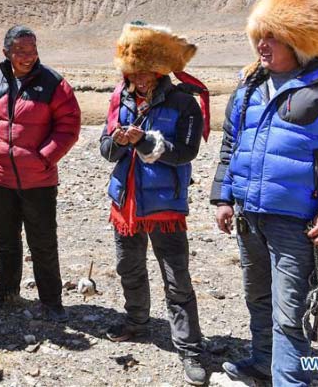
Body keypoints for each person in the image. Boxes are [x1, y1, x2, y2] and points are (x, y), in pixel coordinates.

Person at [210, 0, 318, 386]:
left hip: (296, 219)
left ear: (300, 42)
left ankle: (289, 379)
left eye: (273, 38)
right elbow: (232, 142)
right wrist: (224, 196)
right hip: (250, 212)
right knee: (258, 296)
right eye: (259, 37)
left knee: (290, 307)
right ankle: (264, 362)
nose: (262, 46)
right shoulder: (250, 84)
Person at [100, 21, 210, 386]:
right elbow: (106, 150)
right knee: (128, 267)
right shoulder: (120, 97)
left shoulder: (183, 103)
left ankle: (190, 348)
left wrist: (146, 141)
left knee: (176, 278)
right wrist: (118, 139)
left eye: (147, 71)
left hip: (164, 204)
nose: (141, 77)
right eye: (135, 71)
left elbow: (186, 152)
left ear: (160, 70)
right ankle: (137, 322)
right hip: (126, 200)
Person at [0, 25, 81, 321]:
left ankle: (51, 302)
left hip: (38, 180)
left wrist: (44, 157)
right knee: (5, 238)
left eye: (33, 50)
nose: (28, 56)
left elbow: (69, 127)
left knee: (42, 241)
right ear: (6, 53)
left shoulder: (53, 83)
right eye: (21, 51)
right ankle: (6, 291)